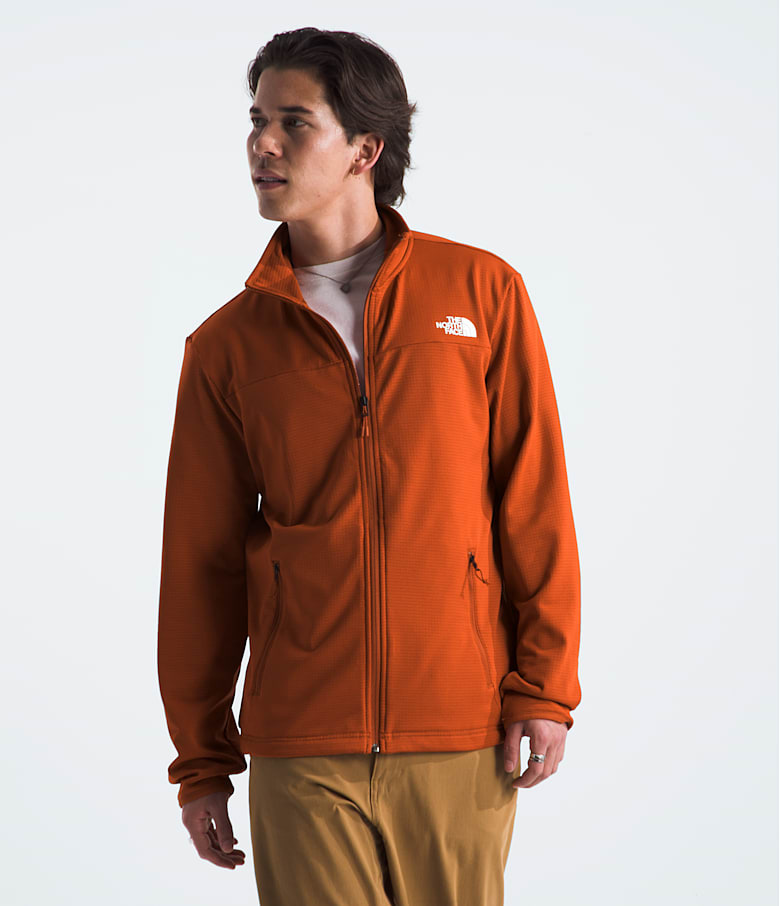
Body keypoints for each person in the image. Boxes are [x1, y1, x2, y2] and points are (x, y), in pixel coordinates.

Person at [157, 26, 581, 906]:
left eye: (294, 123)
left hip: (457, 727)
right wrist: (201, 761)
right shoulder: (227, 346)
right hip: (301, 738)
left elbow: (532, 500)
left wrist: (544, 689)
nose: (263, 144)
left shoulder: (481, 293)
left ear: (365, 149)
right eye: (256, 121)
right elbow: (200, 563)